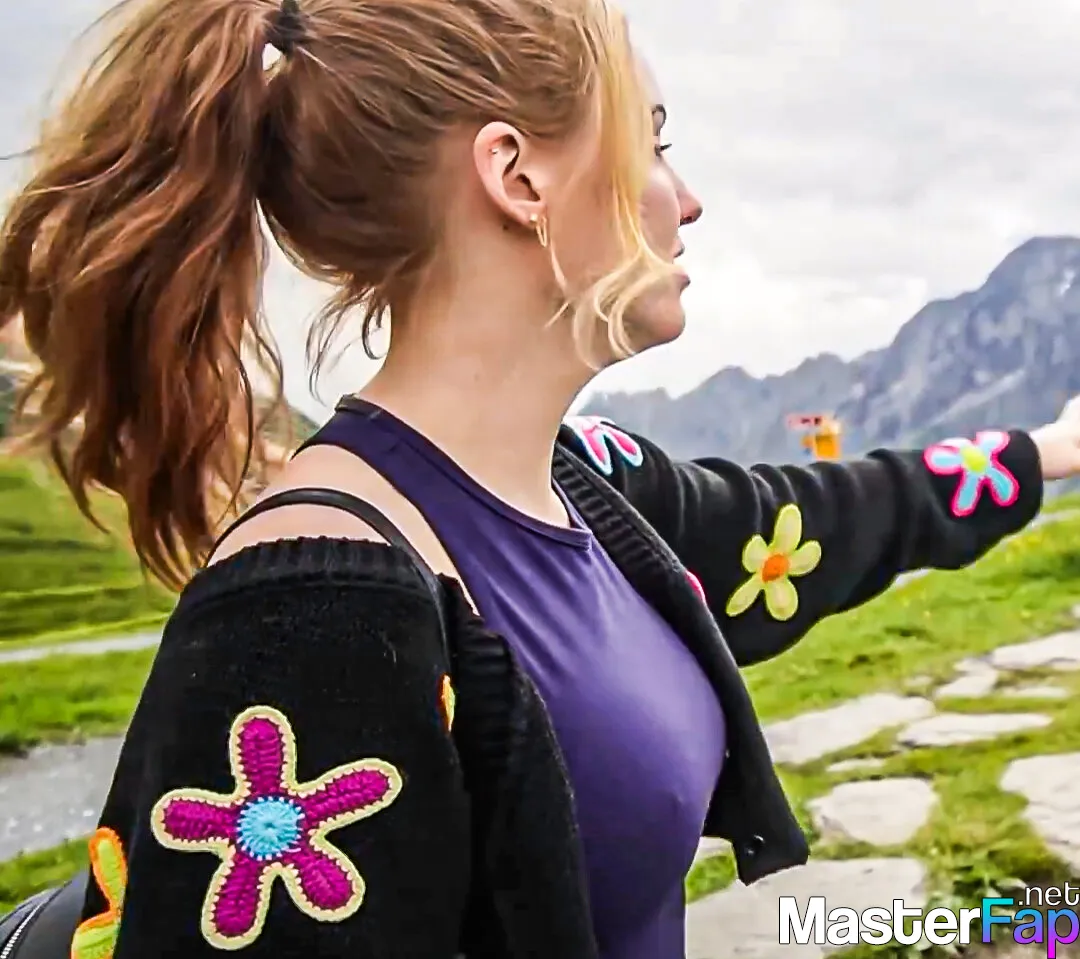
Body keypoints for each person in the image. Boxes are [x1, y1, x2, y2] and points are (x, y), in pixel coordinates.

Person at [3, 0, 1080, 955]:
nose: (687, 200)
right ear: (517, 176)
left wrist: (1056, 448)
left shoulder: (590, 486)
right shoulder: (315, 602)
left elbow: (820, 520)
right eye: (654, 144)